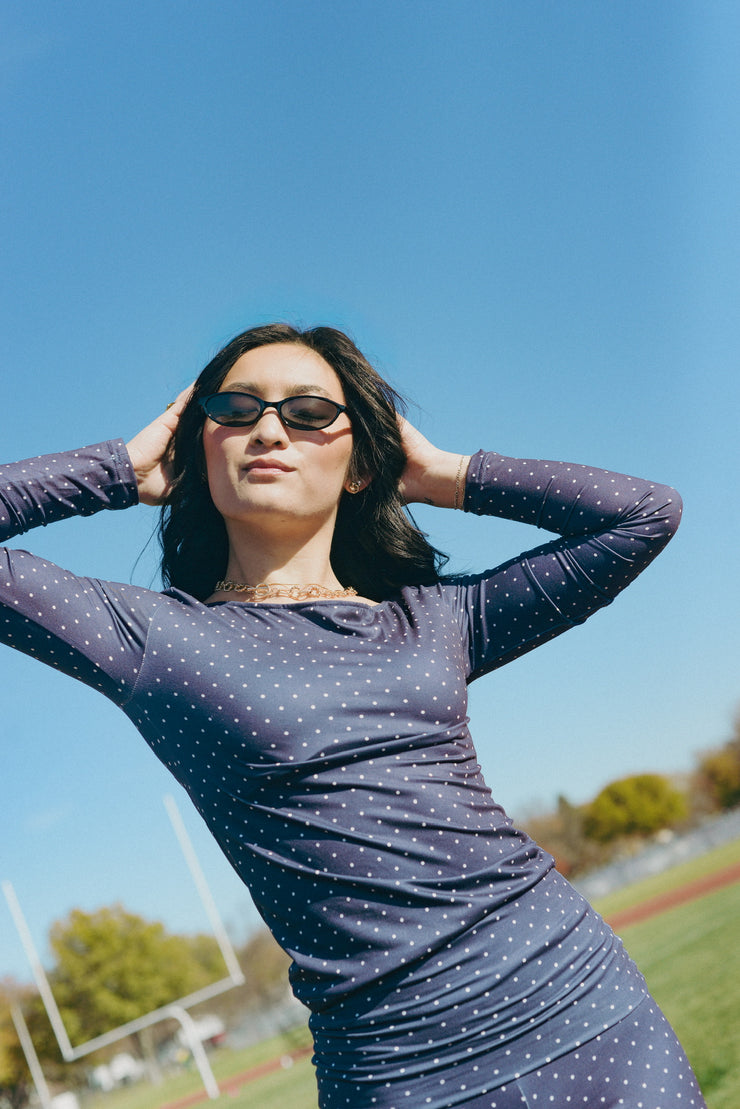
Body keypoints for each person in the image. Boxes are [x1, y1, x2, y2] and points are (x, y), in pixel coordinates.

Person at [0, 323, 705, 1108]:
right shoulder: (151, 640)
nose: (268, 427)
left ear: (362, 462)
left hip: (590, 1012)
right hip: (401, 1075)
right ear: (198, 445)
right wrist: (114, 471)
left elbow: (646, 515)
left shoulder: (435, 618)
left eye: (308, 413)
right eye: (234, 409)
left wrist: (445, 473)